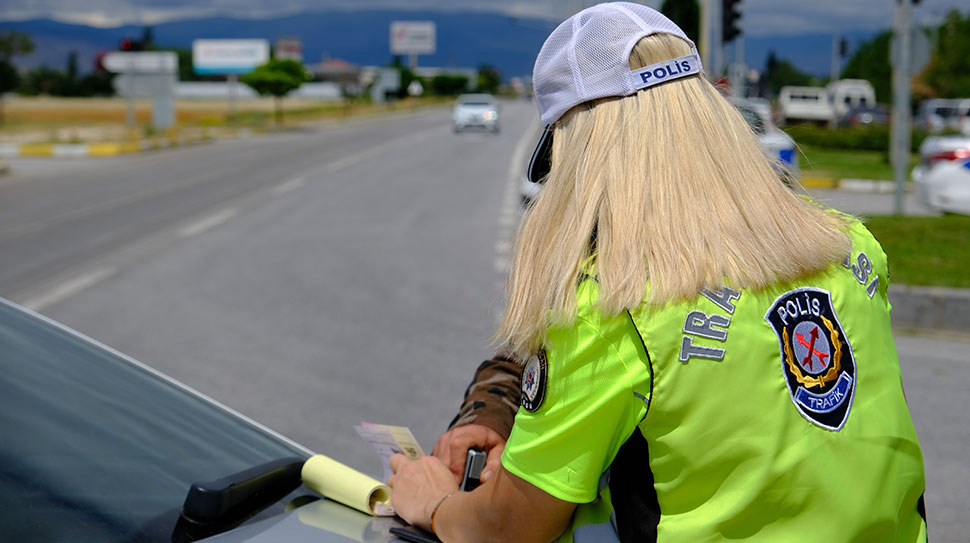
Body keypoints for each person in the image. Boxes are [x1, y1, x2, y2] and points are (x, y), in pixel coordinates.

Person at [388, 3, 927, 542]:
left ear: (580, 151)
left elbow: (506, 529)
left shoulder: (615, 307)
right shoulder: (850, 247)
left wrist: (432, 501)